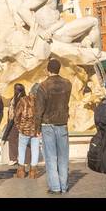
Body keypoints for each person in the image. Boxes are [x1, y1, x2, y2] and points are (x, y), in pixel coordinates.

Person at [33, 58, 72, 195]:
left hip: (47, 124)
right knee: (63, 156)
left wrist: (36, 128)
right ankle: (64, 185)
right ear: (59, 69)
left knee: (50, 157)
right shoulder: (68, 84)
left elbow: (39, 109)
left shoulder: (43, 86)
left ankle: (55, 187)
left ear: (48, 69)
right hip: (62, 123)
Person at [11, 82, 41, 179]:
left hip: (24, 129)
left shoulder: (23, 100)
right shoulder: (40, 102)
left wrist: (19, 126)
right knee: (35, 149)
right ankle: (33, 172)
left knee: (22, 149)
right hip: (36, 130)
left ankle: (21, 171)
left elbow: (16, 115)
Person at [3, 83, 23, 167]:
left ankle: (14, 158)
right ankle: (23, 159)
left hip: (15, 122)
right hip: (23, 123)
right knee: (22, 140)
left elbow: (11, 113)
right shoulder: (24, 98)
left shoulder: (14, 99)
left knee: (12, 139)